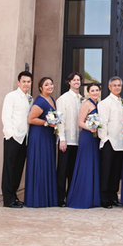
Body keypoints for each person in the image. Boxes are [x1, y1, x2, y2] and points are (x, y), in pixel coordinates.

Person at [66, 82, 101, 208]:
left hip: (95, 138)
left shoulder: (98, 104)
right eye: (92, 90)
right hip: (87, 137)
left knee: (94, 165)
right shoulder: (86, 104)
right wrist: (90, 127)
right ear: (88, 92)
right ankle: (82, 198)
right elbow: (80, 122)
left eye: (97, 90)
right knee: (86, 166)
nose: (95, 92)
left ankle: (93, 198)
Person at [24, 77, 58, 207]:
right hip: (39, 137)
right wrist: (47, 122)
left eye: (51, 83)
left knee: (47, 164)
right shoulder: (40, 101)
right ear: (41, 88)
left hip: (48, 136)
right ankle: (37, 198)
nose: (50, 86)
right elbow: (31, 119)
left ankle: (47, 197)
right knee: (39, 164)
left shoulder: (51, 100)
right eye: (46, 84)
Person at [0, 70, 33, 208]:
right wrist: (10, 135)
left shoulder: (30, 98)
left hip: (24, 138)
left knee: (18, 169)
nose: (26, 84)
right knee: (9, 169)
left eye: (28, 82)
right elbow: (6, 116)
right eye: (24, 81)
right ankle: (8, 199)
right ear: (18, 82)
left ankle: (14, 196)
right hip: (13, 138)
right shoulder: (11, 96)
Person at [98, 76, 123, 208]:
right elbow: (102, 123)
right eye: (114, 85)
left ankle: (114, 196)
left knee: (116, 171)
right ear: (109, 87)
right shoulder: (105, 103)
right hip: (109, 141)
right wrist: (105, 139)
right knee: (106, 171)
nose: (117, 87)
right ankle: (104, 199)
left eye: (119, 85)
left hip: (121, 142)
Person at [55, 73, 83, 206]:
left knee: (73, 170)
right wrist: (62, 139)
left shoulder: (81, 99)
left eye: (78, 80)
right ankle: (60, 198)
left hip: (77, 141)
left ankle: (70, 198)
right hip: (66, 140)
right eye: (74, 80)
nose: (77, 82)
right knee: (62, 171)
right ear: (69, 82)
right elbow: (60, 120)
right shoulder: (63, 99)